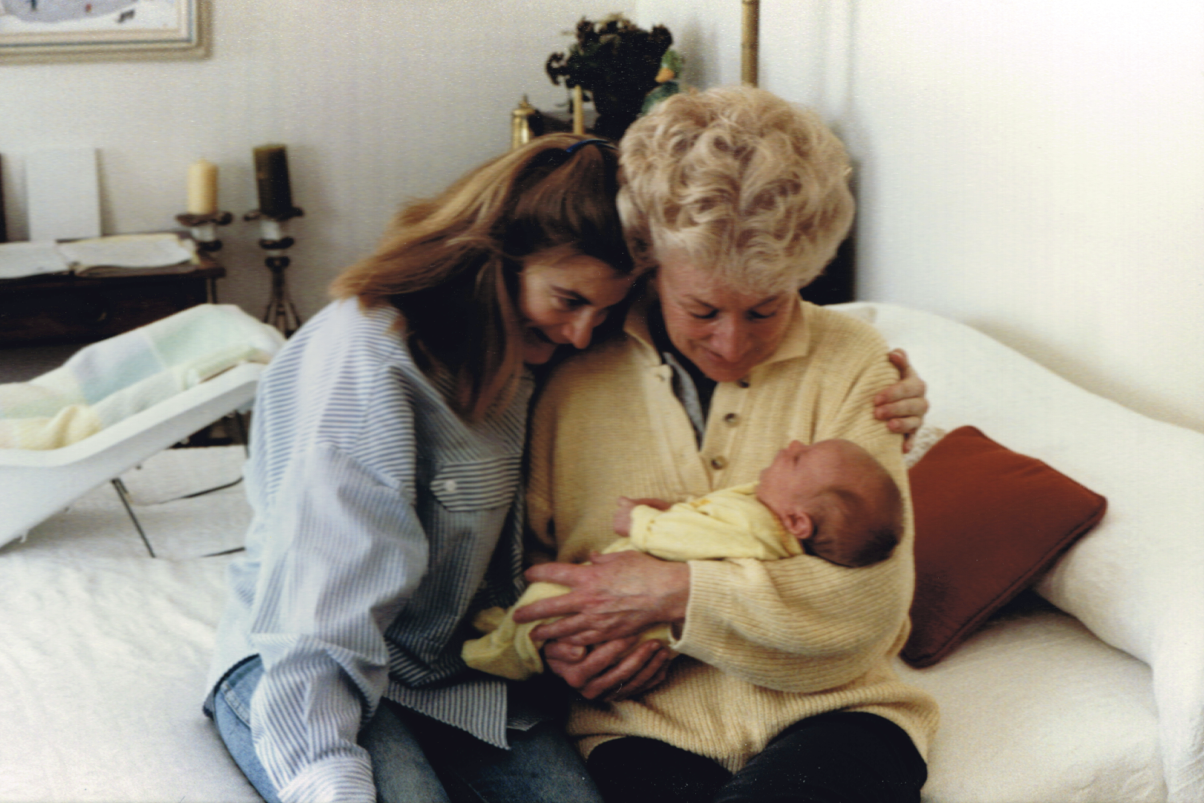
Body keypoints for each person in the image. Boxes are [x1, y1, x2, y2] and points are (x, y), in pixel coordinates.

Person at [514, 86, 940, 803]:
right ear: (650, 263)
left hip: (837, 715)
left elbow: (872, 602)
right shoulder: (568, 368)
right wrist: (561, 648)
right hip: (637, 724)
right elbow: (519, 564)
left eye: (766, 308)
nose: (732, 342)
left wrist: (677, 591)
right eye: (702, 309)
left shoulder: (856, 364)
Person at [203, 134, 641, 803]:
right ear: (492, 259)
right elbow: (321, 600)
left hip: (451, 678)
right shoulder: (368, 358)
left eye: (605, 310)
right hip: (309, 664)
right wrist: (325, 767)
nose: (582, 334)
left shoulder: (539, 356)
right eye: (568, 301)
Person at [461, 438, 902, 681]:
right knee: (553, 611)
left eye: (799, 458)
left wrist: (642, 522)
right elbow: (707, 522)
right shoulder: (767, 520)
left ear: (798, 522)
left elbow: (687, 538)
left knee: (551, 602)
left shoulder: (756, 524)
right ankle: (508, 627)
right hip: (633, 628)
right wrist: (677, 506)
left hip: (630, 615)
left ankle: (496, 653)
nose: (790, 444)